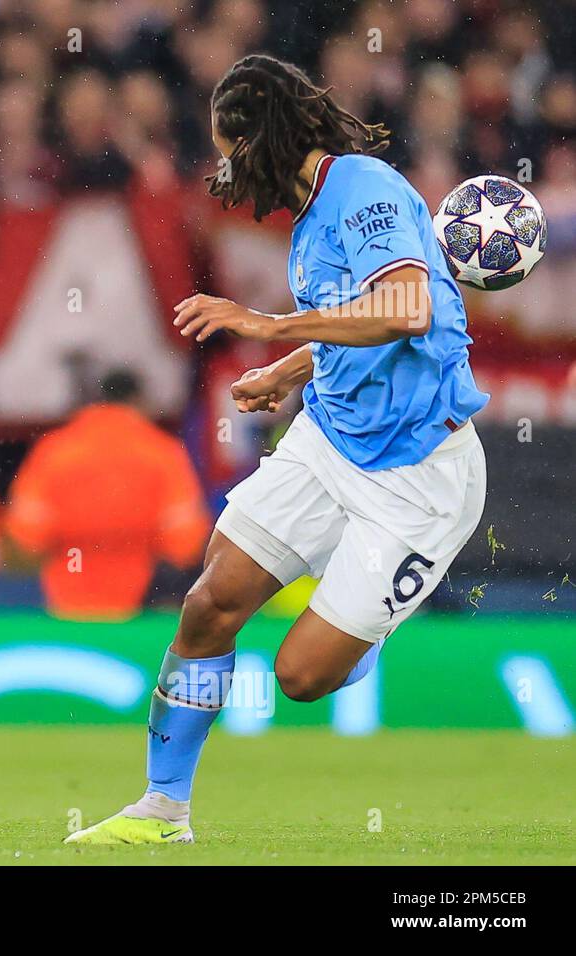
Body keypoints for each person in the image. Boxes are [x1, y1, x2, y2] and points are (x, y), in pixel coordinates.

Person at [67, 54, 488, 845]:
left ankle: (362, 626)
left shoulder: (360, 187)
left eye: (229, 149)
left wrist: (269, 327)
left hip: (420, 474)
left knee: (302, 677)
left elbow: (404, 310)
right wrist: (292, 368)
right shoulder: (310, 217)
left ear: (263, 140)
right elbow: (358, 315)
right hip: (329, 438)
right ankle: (164, 810)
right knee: (208, 604)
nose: (223, 168)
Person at [4, 370, 208, 621]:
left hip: (64, 597)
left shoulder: (55, 449)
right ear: (138, 401)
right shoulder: (162, 451)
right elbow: (186, 544)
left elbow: (25, 536)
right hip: (140, 602)